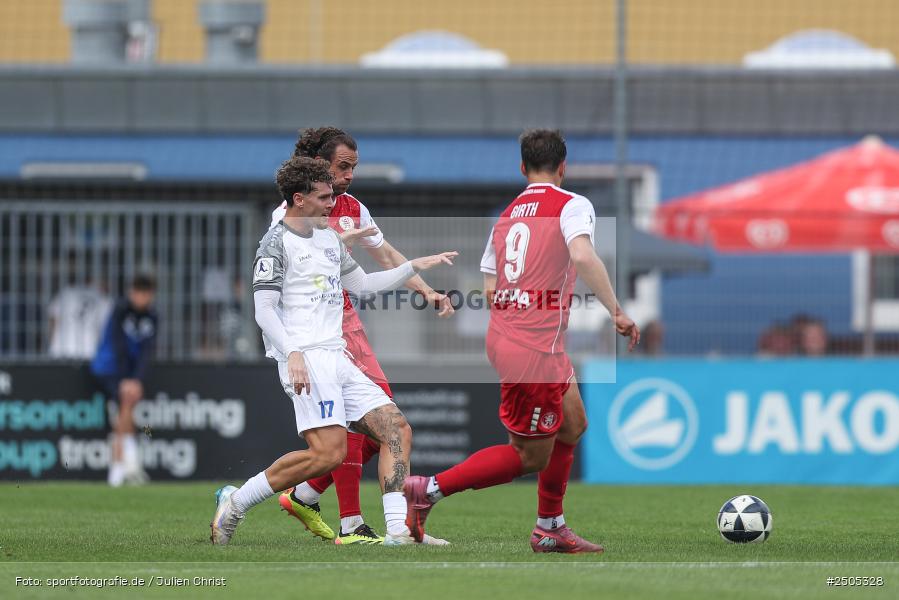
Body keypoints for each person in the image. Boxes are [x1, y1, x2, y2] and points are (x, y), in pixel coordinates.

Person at [403, 129, 640, 553]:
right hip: (533, 349)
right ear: (564, 167)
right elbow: (583, 255)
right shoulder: (571, 205)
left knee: (573, 423)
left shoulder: (508, 215)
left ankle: (550, 526)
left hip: (515, 338)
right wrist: (616, 311)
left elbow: (492, 291)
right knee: (531, 456)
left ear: (521, 167)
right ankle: (429, 490)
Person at [210, 157, 457, 546]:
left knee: (396, 429)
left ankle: (399, 533)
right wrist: (292, 353)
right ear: (299, 199)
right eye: (324, 197)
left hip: (337, 356)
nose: (332, 203)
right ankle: (236, 502)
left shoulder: (327, 238)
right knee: (328, 455)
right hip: (306, 358)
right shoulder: (275, 244)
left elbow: (362, 285)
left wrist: (411, 267)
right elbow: (263, 310)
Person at [271, 127, 454, 545]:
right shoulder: (290, 214)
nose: (350, 175)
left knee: (380, 426)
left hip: (347, 321)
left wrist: (426, 290)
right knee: (377, 425)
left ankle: (306, 493)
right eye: (343, 166)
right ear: (319, 164)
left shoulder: (352, 206)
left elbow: (383, 252)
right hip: (318, 331)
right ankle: (352, 523)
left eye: (354, 167)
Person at [90, 274, 158, 487]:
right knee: (125, 407)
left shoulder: (153, 316)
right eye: (137, 293)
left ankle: (127, 464)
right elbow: (117, 346)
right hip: (109, 368)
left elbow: (147, 351)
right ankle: (121, 466)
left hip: (130, 372)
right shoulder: (120, 310)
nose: (141, 298)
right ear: (131, 293)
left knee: (125, 409)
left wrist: (136, 379)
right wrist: (126, 380)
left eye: (145, 294)